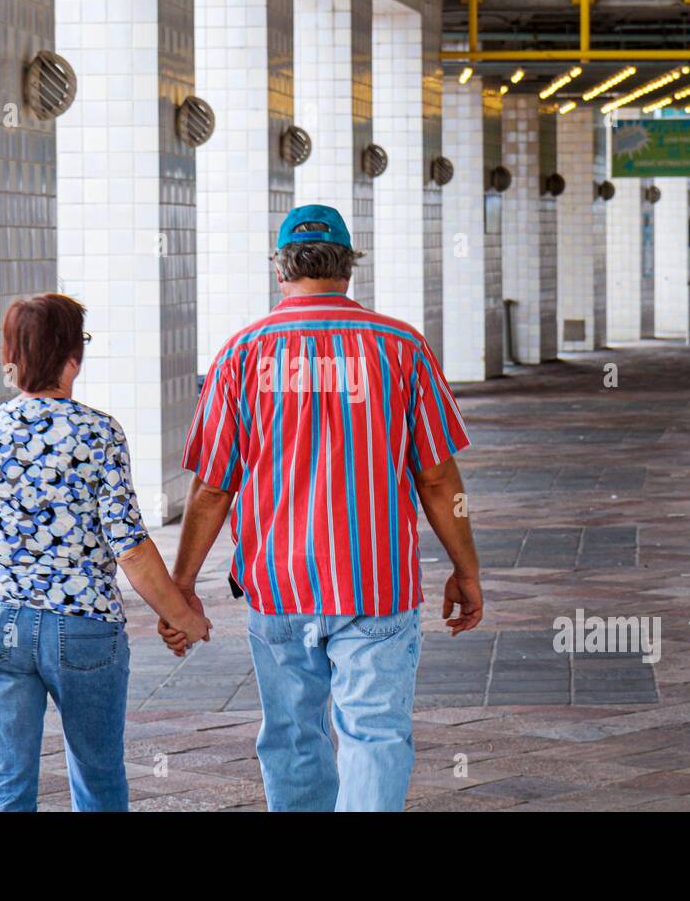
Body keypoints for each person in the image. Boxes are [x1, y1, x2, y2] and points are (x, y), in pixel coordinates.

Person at [159, 205, 482, 811]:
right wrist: (467, 570)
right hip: (377, 584)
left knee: (291, 734)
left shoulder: (242, 352)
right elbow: (437, 477)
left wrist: (181, 587)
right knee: (376, 735)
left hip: (277, 585)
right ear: (348, 269)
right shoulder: (401, 347)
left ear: (282, 271)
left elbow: (212, 488)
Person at [0, 293, 211, 811]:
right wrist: (183, 617)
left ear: (12, 355)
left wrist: (4, 595)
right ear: (73, 355)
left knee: (2, 789)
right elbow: (130, 549)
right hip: (82, 628)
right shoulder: (97, 432)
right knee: (98, 780)